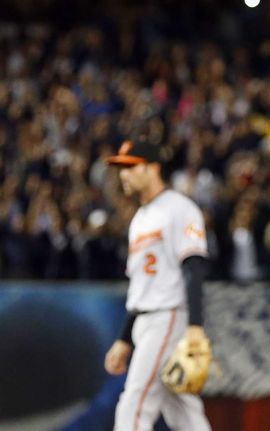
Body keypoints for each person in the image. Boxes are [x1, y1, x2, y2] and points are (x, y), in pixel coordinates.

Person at [103, 138, 211, 431]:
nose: (123, 174)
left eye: (130, 167)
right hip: (147, 318)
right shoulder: (139, 219)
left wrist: (196, 327)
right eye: (120, 168)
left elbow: (194, 267)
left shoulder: (179, 208)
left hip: (168, 315)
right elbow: (141, 287)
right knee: (183, 411)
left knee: (134, 404)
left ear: (153, 168)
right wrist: (124, 338)